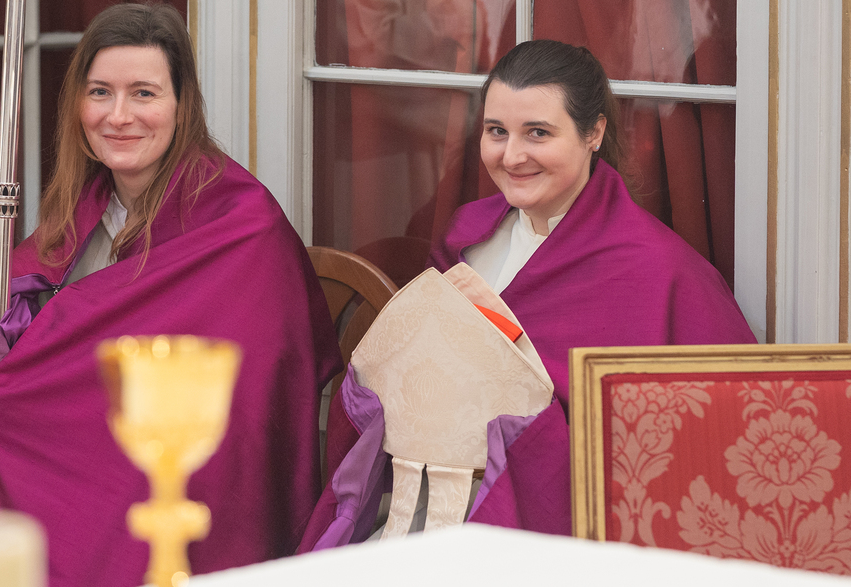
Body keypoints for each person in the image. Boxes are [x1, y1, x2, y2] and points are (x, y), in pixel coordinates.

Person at [0, 2, 343, 586]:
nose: (119, 116)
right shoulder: (83, 205)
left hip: (193, 473)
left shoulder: (243, 224)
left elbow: (250, 405)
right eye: (100, 93)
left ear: (182, 105)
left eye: (144, 94)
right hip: (84, 449)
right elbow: (37, 348)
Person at [300, 39, 755, 549]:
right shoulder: (465, 235)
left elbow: (700, 443)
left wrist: (506, 349)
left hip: (560, 535)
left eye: (537, 133)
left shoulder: (662, 271)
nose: (512, 156)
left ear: (593, 133)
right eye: (497, 131)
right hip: (423, 510)